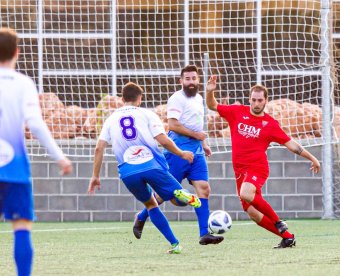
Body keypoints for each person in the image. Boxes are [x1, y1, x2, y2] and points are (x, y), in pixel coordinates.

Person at [205, 75, 320, 248]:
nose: (256, 103)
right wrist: (209, 91)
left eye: (260, 100)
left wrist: (312, 158)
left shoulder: (270, 124)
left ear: (266, 101)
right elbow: (212, 105)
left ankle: (278, 221)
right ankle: (288, 237)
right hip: (240, 171)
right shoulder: (237, 112)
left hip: (257, 168)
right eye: (253, 100)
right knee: (253, 213)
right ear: (249, 99)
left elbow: (292, 145)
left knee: (246, 194)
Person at [87, 82, 202, 254]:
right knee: (175, 198)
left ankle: (175, 244)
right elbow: (163, 139)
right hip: (152, 165)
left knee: (150, 204)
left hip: (128, 171)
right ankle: (179, 192)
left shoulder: (111, 119)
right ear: (140, 99)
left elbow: (99, 148)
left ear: (121, 99)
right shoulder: (147, 114)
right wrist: (181, 153)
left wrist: (95, 176)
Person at [0, 28, 73, 276]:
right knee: (21, 225)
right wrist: (59, 156)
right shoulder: (23, 83)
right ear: (17, 53)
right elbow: (36, 123)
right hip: (14, 168)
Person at [134, 65, 224, 245]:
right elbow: (173, 125)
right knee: (164, 194)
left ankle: (204, 233)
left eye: (194, 78)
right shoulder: (176, 99)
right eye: (187, 79)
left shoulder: (199, 98)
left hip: (197, 152)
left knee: (204, 188)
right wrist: (196, 136)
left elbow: (198, 126)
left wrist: (204, 143)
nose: (191, 82)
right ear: (181, 81)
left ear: (198, 80)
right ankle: (142, 216)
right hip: (177, 152)